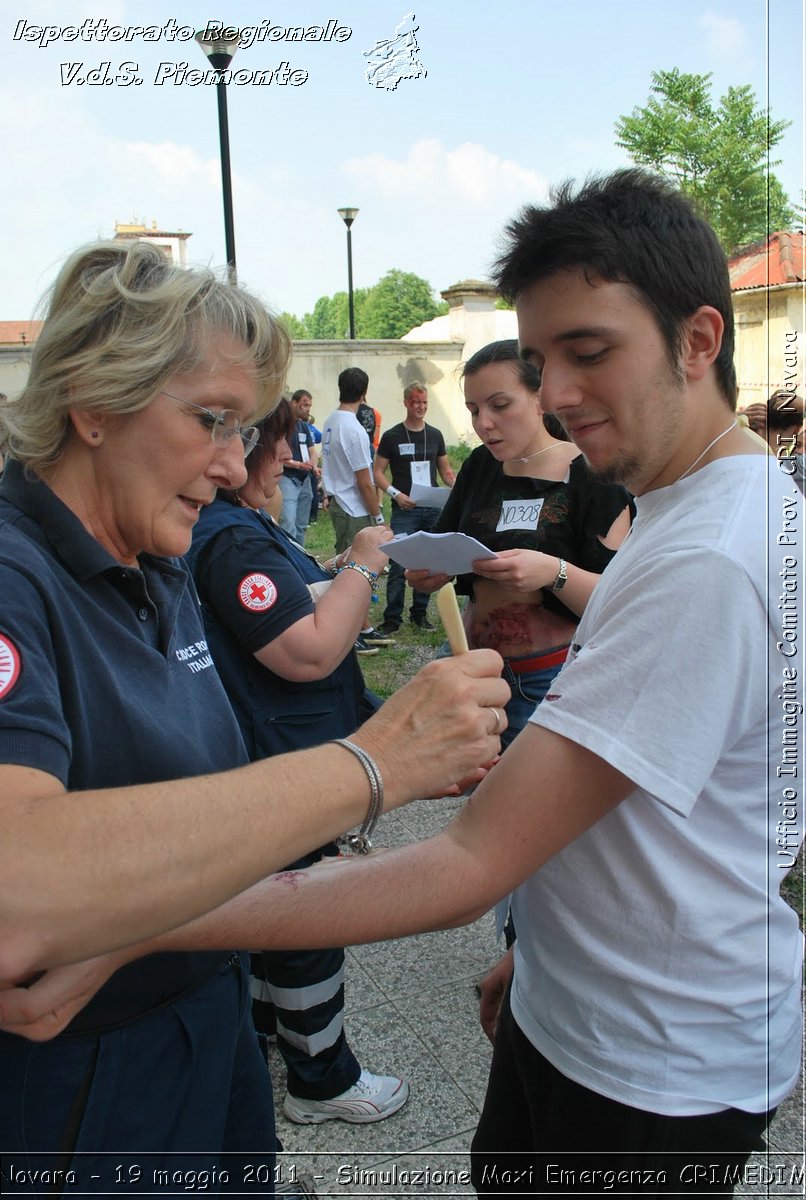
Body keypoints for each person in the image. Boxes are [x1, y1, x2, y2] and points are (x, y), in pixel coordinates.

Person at [5, 172, 801, 1196]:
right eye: (539, 360)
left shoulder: (707, 554)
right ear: (92, 406)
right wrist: (551, 942)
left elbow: (471, 855)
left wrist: (132, 919)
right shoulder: (688, 520)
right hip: (593, 1015)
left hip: (644, 1055)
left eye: (588, 353)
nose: (554, 394)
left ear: (698, 342)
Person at [0, 239, 509, 1190]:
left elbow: (199, 832)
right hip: (77, 1091)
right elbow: (14, 881)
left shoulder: (153, 562)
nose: (236, 466)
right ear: (94, 403)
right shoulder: (14, 576)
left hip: (211, 1032)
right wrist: (369, 765)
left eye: (244, 429)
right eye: (210, 420)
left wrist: (144, 931)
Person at [185, 398, 408, 1126]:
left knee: (269, 911)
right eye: (274, 446)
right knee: (308, 916)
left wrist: (336, 571)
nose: (286, 460)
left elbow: (278, 608)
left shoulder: (234, 527)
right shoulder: (230, 538)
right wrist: (366, 569)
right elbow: (306, 648)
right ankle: (323, 1079)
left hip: (276, 749)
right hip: (284, 753)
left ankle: (268, 1040)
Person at [408, 341, 632, 751]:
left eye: (499, 405)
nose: (484, 423)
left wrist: (553, 572)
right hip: (471, 666)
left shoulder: (594, 475)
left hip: (546, 678)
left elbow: (619, 603)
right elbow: (441, 546)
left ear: (541, 398)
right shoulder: (480, 466)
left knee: (531, 805)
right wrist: (429, 570)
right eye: (474, 410)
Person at [374, 382, 457, 634]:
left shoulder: (435, 435)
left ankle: (419, 614)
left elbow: (445, 470)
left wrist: (458, 487)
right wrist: (396, 495)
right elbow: (377, 472)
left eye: (424, 402)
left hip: (431, 507)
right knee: (399, 562)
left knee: (428, 562)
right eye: (415, 402)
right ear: (406, 403)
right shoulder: (392, 436)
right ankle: (392, 618)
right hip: (405, 508)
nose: (420, 407)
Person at [321, 368, 392, 652]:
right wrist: (378, 517)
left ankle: (363, 625)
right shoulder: (354, 428)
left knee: (352, 567)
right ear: (364, 393)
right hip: (353, 507)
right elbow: (365, 482)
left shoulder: (330, 421)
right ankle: (351, 632)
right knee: (357, 571)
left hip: (340, 502)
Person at [277, 388, 317, 545]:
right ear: (294, 403)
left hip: (305, 480)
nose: (307, 409)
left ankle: (300, 556)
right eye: (304, 405)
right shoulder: (282, 425)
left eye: (309, 406)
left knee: (301, 525)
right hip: (288, 478)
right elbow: (278, 455)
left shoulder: (304, 427)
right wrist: (297, 464)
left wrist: (312, 464)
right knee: (288, 522)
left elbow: (312, 450)